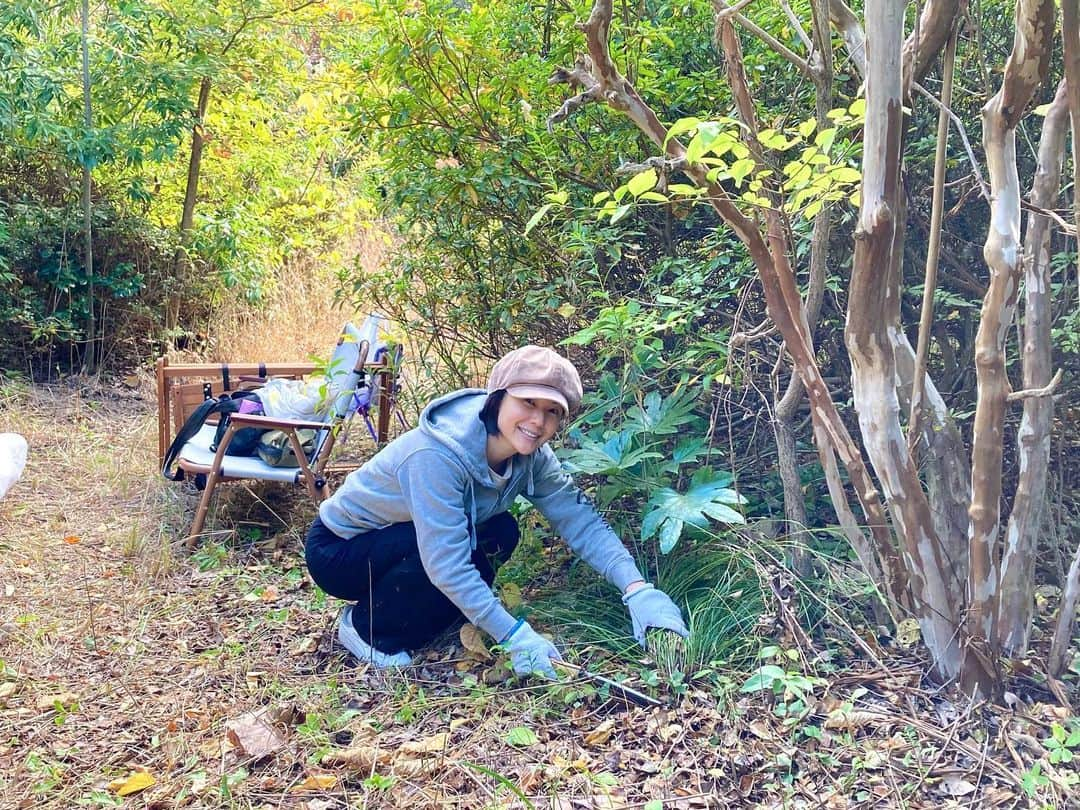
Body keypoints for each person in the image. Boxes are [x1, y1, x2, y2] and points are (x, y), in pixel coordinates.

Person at [304, 345, 689, 678]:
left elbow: (579, 519)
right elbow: (447, 565)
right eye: (527, 403)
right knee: (442, 554)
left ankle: (425, 611)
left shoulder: (533, 457)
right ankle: (366, 628)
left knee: (500, 531)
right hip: (341, 551)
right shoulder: (435, 456)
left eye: (552, 411)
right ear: (497, 397)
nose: (538, 421)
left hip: (404, 539)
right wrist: (513, 634)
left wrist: (637, 589)